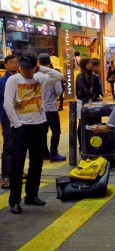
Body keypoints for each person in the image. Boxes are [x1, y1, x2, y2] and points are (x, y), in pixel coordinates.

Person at [4, 52, 64, 214]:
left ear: (34, 68)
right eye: (22, 67)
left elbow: (59, 75)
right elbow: (8, 104)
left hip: (39, 126)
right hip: (20, 128)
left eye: (28, 67)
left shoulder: (40, 78)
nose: (24, 70)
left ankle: (31, 195)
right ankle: (14, 200)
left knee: (36, 164)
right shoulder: (13, 80)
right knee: (17, 165)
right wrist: (17, 124)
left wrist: (41, 68)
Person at [39, 53, 67, 162]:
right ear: (49, 61)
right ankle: (54, 154)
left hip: (40, 109)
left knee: (43, 132)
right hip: (51, 108)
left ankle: (44, 153)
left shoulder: (36, 75)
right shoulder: (53, 75)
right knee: (56, 131)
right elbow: (59, 91)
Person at [0, 55, 21, 189]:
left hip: (22, 118)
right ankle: (6, 176)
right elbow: (15, 98)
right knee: (9, 146)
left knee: (19, 146)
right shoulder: (3, 81)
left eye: (16, 62)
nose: (14, 64)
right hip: (7, 118)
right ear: (6, 65)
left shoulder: (21, 78)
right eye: (11, 62)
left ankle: (17, 172)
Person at [76, 58, 93, 152]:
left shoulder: (89, 75)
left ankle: (86, 144)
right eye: (89, 63)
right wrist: (91, 94)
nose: (90, 65)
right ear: (84, 65)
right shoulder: (80, 76)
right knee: (82, 123)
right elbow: (82, 89)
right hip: (82, 101)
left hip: (89, 101)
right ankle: (82, 145)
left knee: (88, 123)